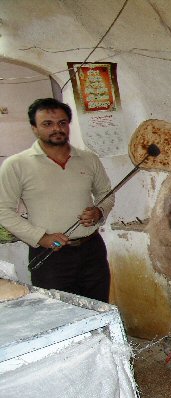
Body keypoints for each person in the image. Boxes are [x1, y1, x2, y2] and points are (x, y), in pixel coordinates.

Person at [0, 98, 114, 302]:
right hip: (49, 255)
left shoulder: (89, 159)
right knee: (61, 314)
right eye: (47, 124)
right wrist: (40, 237)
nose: (56, 129)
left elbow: (106, 193)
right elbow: (3, 211)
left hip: (92, 249)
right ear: (34, 128)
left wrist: (99, 212)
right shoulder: (16, 165)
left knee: (100, 307)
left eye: (62, 123)